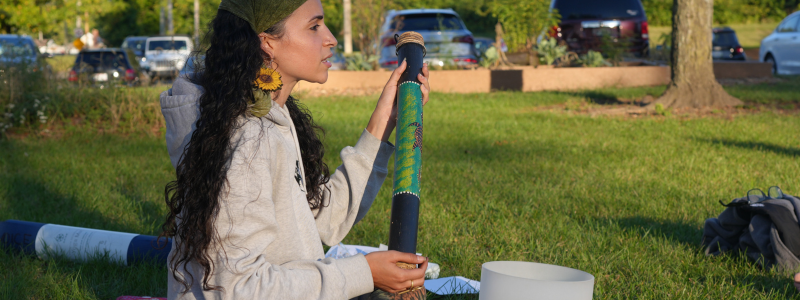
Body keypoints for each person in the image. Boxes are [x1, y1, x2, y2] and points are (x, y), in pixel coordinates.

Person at [157, 0, 431, 299]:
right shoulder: (247, 139)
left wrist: (384, 119)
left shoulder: (271, 115)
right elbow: (237, 289)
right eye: (314, 27)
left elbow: (327, 219)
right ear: (267, 43)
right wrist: (365, 273)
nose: (331, 38)